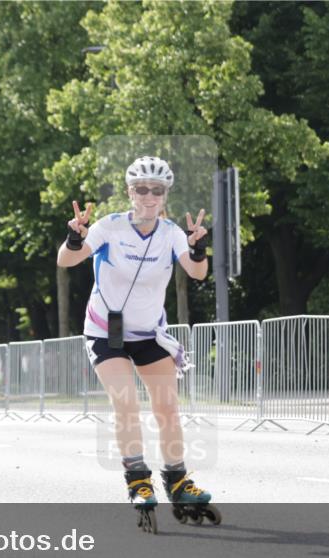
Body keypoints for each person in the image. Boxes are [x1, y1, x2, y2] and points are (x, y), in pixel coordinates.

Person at [56, 156, 219, 531]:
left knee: (167, 408)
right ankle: (138, 480)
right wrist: (76, 237)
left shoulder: (172, 232)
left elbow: (197, 273)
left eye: (157, 190)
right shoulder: (109, 227)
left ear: (165, 196)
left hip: (148, 332)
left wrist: (197, 249)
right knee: (126, 402)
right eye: (142, 189)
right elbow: (66, 260)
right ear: (130, 192)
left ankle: (178, 481)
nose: (149, 196)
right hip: (105, 331)